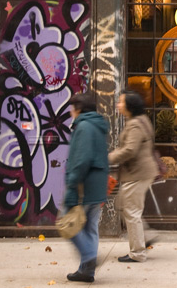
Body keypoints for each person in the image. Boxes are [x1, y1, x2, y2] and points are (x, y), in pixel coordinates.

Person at [63, 91, 110, 283]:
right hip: (97, 185)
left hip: (85, 186)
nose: (71, 113)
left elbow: (81, 160)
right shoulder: (97, 125)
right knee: (90, 227)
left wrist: (73, 182)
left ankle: (89, 257)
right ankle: (86, 271)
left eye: (72, 109)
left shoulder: (83, 127)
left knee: (68, 223)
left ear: (79, 109)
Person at [109, 90, 158, 263]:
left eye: (121, 102)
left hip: (137, 173)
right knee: (123, 204)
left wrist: (109, 157)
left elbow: (130, 149)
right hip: (138, 173)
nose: (118, 105)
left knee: (131, 212)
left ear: (130, 106)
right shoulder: (140, 120)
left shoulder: (135, 124)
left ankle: (137, 252)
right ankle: (146, 236)